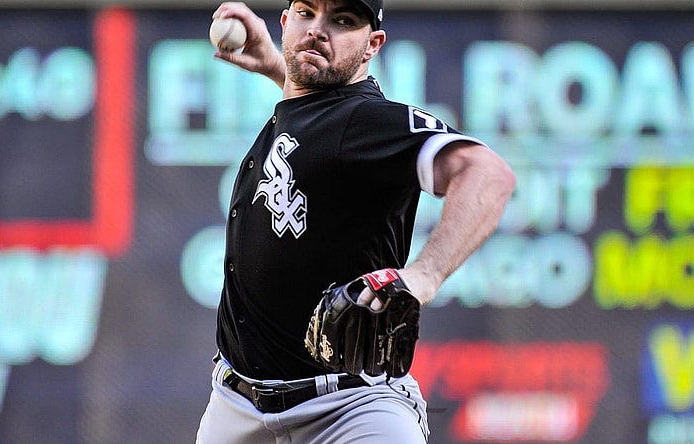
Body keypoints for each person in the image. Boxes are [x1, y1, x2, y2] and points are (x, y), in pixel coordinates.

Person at [196, 0, 516, 442]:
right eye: (307, 13)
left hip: (349, 412)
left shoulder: (366, 120)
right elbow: (314, 123)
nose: (317, 30)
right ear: (285, 22)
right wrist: (277, 65)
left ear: (372, 45)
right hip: (236, 409)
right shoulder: (306, 110)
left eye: (343, 21)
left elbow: (488, 173)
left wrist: (423, 276)